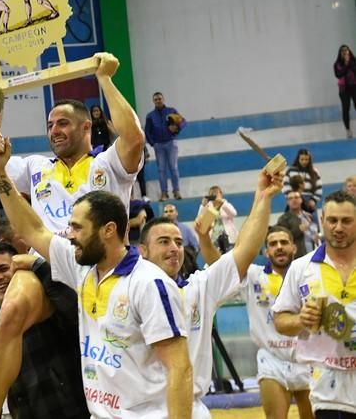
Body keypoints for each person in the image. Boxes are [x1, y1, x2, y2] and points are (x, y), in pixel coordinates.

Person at [0, 166, 192, 417]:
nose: (70, 235)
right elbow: (32, 230)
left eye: (77, 228)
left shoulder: (149, 284)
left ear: (108, 230)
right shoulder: (81, 267)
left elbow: (180, 369)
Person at [141, 166, 283, 417]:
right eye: (164, 241)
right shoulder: (127, 291)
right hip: (143, 411)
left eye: (178, 242)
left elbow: (245, 250)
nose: (174, 248)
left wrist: (262, 196)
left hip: (192, 408)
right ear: (143, 250)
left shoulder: (199, 288)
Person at [0, 52, 145, 234]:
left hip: (96, 261)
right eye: (50, 125)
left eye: (63, 123)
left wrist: (104, 79)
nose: (54, 131)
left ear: (86, 127)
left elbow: (134, 138)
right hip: (46, 261)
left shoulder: (108, 163)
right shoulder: (35, 167)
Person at [0, 242, 90, 419]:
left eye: (3, 269)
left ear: (19, 269)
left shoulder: (51, 308)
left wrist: (38, 265)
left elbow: (76, 310)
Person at [274, 190, 356, 418]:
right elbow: (280, 320)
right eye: (332, 220)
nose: (338, 227)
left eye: (347, 221)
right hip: (327, 385)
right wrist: (301, 320)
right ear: (322, 221)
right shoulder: (301, 268)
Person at [240, 227, 313, 419]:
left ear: (294, 247)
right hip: (271, 360)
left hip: (308, 358)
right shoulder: (253, 276)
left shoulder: (309, 274)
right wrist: (204, 237)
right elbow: (221, 266)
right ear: (266, 251)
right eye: (273, 244)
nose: (279, 247)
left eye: (284, 242)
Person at [145, 92, 186, 201]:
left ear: (163, 99)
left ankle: (176, 191)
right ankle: (164, 193)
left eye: (160, 98)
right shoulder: (150, 116)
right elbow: (147, 131)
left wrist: (176, 130)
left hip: (171, 143)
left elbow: (183, 122)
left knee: (173, 167)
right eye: (156, 99)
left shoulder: (171, 111)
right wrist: (152, 143)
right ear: (153, 101)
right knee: (161, 170)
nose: (158, 101)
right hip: (158, 145)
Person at [277, 191, 320, 257]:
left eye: (296, 197)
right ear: (287, 202)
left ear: (301, 200)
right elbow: (282, 237)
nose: (294, 200)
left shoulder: (309, 216)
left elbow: (317, 232)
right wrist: (298, 230)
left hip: (314, 253)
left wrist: (318, 237)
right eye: (290, 198)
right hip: (297, 256)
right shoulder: (284, 219)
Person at [197, 185, 238, 251]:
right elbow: (200, 220)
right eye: (212, 195)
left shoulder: (226, 204)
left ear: (221, 194)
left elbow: (233, 213)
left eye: (216, 194)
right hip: (214, 238)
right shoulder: (208, 207)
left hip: (228, 237)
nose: (214, 196)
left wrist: (222, 203)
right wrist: (203, 205)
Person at [282, 149, 323, 213]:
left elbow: (319, 188)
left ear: (309, 160)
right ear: (298, 159)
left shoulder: (314, 172)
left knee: (312, 222)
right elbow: (285, 186)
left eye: (306, 159)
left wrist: (314, 200)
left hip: (309, 201)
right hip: (293, 199)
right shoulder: (290, 170)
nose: (304, 162)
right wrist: (292, 197)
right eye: (302, 159)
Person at [334, 44, 356, 138]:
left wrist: (349, 63)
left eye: (346, 50)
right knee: (346, 108)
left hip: (354, 87)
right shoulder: (337, 64)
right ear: (340, 53)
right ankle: (348, 129)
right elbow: (339, 74)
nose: (345, 52)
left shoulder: (354, 62)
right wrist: (346, 65)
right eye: (343, 51)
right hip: (344, 89)